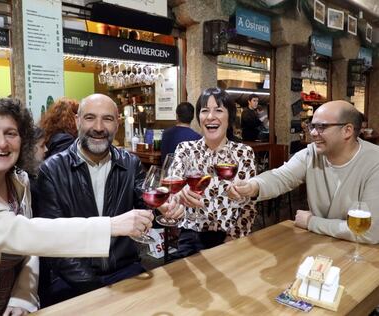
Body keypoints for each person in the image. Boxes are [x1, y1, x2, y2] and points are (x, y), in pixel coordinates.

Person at [0, 97, 154, 316]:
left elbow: (30, 250)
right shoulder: (49, 170)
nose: (2, 143)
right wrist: (110, 226)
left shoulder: (19, 182)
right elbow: (19, 233)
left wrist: (23, 296)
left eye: (11, 133)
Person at [35, 93, 183, 305]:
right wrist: (96, 289)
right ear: (77, 121)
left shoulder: (130, 163)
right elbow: (52, 243)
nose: (98, 127)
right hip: (72, 278)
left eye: (107, 118)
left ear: (117, 124)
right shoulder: (52, 170)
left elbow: (144, 200)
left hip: (126, 270)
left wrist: (166, 207)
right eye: (90, 118)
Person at [229, 100, 379, 244]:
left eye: (321, 127)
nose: (313, 133)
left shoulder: (374, 162)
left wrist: (311, 222)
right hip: (320, 243)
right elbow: (281, 177)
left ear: (347, 130)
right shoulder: (311, 154)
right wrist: (253, 186)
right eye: (312, 126)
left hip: (363, 254)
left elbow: (369, 232)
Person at [171, 87, 257, 259]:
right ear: (199, 118)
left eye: (218, 110)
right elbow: (173, 186)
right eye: (204, 111)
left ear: (230, 117)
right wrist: (178, 194)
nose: (210, 117)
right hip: (191, 235)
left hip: (229, 234)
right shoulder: (185, 149)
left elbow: (250, 204)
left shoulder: (243, 153)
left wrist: (233, 237)